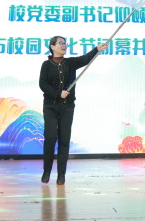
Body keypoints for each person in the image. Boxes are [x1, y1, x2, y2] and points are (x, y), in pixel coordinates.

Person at [39, 36, 109, 185]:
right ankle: (46, 171)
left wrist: (97, 49)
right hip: (50, 106)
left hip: (67, 107)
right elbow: (43, 85)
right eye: (60, 43)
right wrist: (58, 93)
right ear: (52, 46)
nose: (64, 45)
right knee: (50, 138)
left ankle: (61, 175)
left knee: (64, 140)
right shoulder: (46, 65)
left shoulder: (70, 63)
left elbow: (85, 59)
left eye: (65, 43)